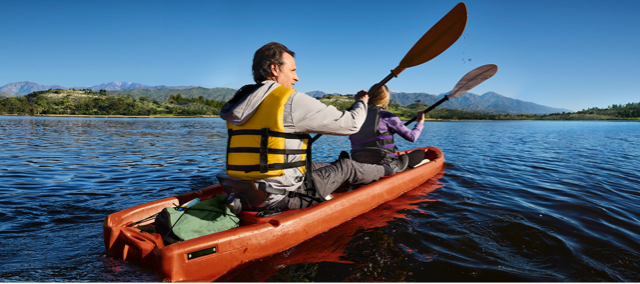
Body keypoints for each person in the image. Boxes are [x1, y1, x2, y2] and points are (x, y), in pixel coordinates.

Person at [219, 42, 408, 211]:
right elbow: (351, 125)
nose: (297, 77)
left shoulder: (239, 102)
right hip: (279, 197)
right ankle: (389, 169)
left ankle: (350, 172)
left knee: (317, 165)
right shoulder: (289, 100)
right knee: (345, 166)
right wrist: (361, 102)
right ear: (275, 69)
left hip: (244, 188)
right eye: (292, 70)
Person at [348, 84, 426, 168]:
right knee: (420, 153)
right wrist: (420, 122)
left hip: (359, 160)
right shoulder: (387, 116)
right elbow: (412, 137)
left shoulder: (354, 115)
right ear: (385, 99)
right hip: (385, 165)